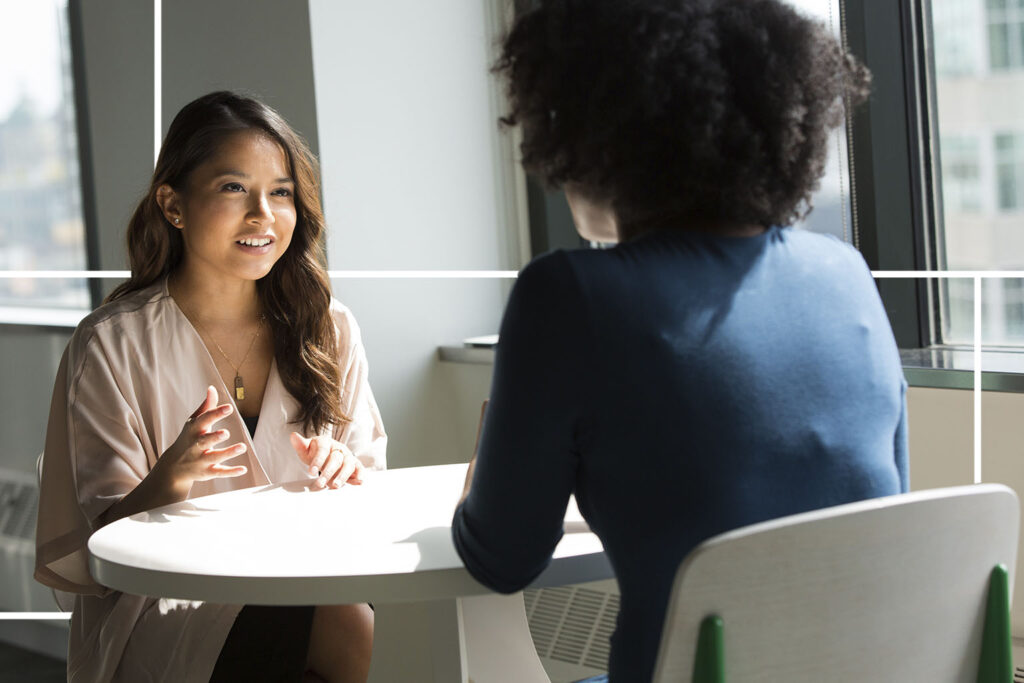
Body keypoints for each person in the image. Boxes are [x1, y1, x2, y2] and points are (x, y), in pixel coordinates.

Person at [451, 1, 907, 681]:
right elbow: (890, 514)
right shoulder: (846, 273)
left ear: (590, 129)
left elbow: (502, 559)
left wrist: (486, 464)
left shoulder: (569, 295)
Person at [35, 91, 386, 683]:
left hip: (309, 580)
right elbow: (95, 558)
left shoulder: (329, 327)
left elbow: (371, 495)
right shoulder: (111, 345)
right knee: (344, 618)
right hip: (165, 610)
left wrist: (343, 469)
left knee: (352, 611)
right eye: (233, 189)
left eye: (281, 192)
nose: (263, 215)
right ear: (173, 205)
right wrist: (164, 484)